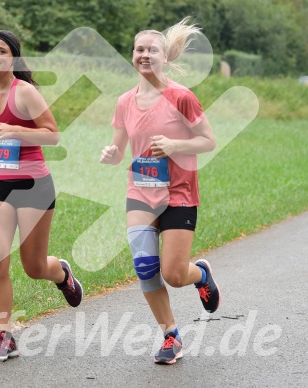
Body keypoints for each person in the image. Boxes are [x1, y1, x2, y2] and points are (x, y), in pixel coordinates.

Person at [100, 18, 221, 365]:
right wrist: (111, 155)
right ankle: (170, 334)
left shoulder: (181, 96)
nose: (145, 55)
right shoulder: (125, 101)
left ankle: (200, 274)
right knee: (145, 266)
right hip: (140, 190)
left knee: (173, 273)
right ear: (133, 55)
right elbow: (119, 149)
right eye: (140, 49)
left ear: (164, 57)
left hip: (179, 192)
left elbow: (208, 140)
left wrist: (173, 144)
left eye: (152, 50)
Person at [0, 30, 83, 363]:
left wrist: (15, 129)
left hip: (34, 185)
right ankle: (4, 334)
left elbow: (53, 135)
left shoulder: (26, 92)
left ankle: (61, 272)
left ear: (14, 57)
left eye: (1, 50)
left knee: (33, 267)